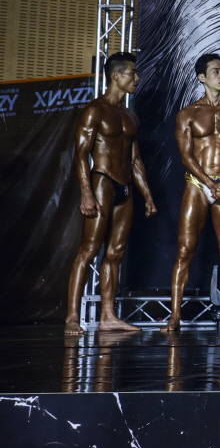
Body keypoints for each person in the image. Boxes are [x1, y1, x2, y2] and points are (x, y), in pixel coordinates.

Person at [62, 53, 157, 334]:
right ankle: (71, 317)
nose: (137, 78)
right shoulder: (95, 110)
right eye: (132, 73)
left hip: (125, 186)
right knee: (89, 250)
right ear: (116, 75)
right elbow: (81, 154)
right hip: (102, 181)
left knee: (115, 252)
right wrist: (86, 192)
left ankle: (107, 316)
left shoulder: (130, 116)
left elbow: (136, 160)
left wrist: (148, 195)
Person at [167, 53, 220, 332]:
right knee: (185, 250)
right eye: (216, 71)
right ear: (202, 77)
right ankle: (175, 316)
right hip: (197, 184)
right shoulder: (188, 114)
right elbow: (186, 155)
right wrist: (208, 182)